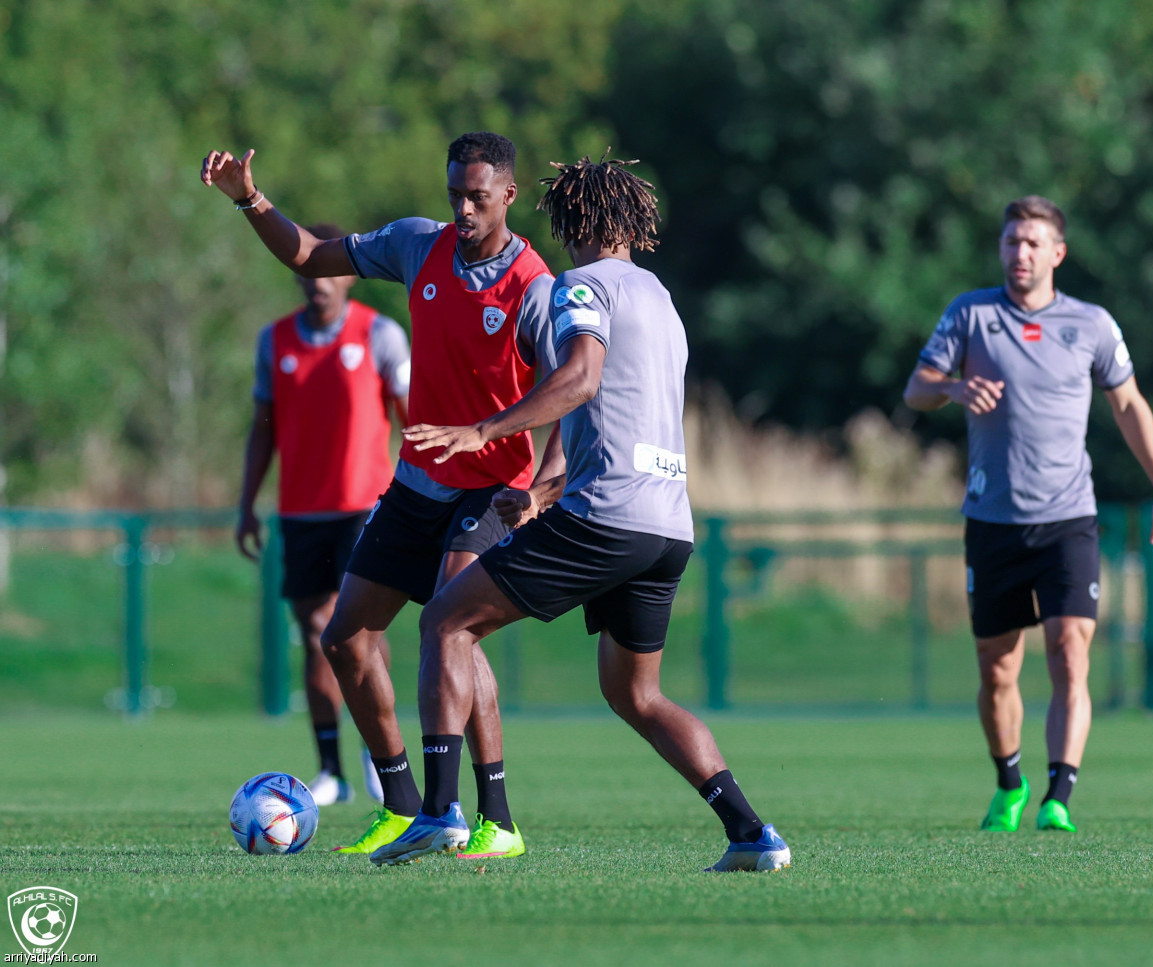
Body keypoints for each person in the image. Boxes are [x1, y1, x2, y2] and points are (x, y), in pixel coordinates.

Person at [377, 154, 791, 872]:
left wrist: (484, 430)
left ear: (573, 220)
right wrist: (540, 492)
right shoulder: (660, 298)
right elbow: (616, 413)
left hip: (606, 516)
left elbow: (580, 379)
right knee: (635, 692)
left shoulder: (579, 287)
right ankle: (753, 833)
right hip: (667, 526)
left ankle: (440, 811)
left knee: (445, 620)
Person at [203, 132, 561, 859]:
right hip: (418, 481)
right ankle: (400, 803)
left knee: (449, 625)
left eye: (478, 197)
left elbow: (572, 391)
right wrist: (250, 200)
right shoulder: (414, 245)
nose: (462, 208)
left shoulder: (534, 287)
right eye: (454, 192)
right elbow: (307, 253)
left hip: (494, 485)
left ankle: (480, 815)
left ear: (509, 196)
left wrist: (544, 486)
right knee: (345, 637)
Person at [903, 195, 1153, 833]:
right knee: (999, 668)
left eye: (1032, 243)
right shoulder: (970, 315)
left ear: (1057, 253)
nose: (1020, 253)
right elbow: (916, 390)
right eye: (1011, 242)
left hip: (1069, 518)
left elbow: (1130, 406)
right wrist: (951, 387)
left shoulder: (1091, 324)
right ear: (1001, 249)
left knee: (1068, 650)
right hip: (993, 520)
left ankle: (1059, 795)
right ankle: (1009, 782)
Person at [236, 223, 410, 807]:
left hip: (368, 509)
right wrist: (246, 505)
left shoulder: (380, 335)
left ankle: (376, 753)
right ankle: (331, 769)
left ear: (349, 277)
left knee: (360, 634)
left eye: (333, 270)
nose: (319, 282)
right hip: (301, 514)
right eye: (310, 271)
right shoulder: (275, 341)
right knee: (315, 637)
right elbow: (262, 433)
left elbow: (413, 424)